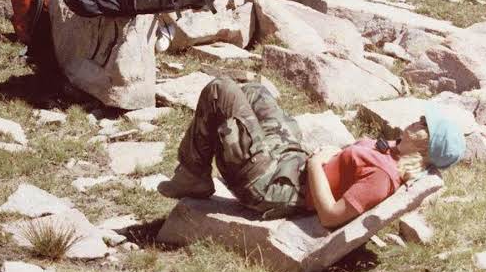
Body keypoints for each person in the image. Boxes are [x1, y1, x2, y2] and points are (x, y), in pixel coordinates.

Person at [157, 77, 466, 228]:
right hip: (290, 162)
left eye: (424, 123)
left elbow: (331, 216)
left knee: (220, 90)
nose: (417, 119)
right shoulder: (391, 153)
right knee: (255, 92)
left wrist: (317, 163)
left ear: (426, 143)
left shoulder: (384, 177)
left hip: (272, 186)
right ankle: (195, 170)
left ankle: (192, 176)